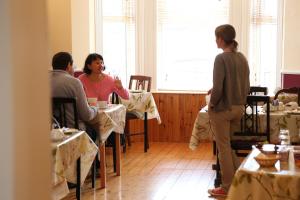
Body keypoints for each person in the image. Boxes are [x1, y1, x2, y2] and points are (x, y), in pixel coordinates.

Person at [207, 24, 250, 197]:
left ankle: (226, 187)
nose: (215, 40)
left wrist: (211, 104)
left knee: (223, 148)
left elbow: (218, 88)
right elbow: (245, 85)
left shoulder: (220, 58)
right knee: (230, 146)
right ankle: (241, 183)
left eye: (216, 37)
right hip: (239, 107)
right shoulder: (242, 58)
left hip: (223, 109)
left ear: (222, 39)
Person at [50, 52, 98, 130]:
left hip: (52, 132)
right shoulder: (74, 82)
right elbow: (87, 115)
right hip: (73, 131)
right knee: (95, 130)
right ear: (69, 65)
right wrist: (95, 108)